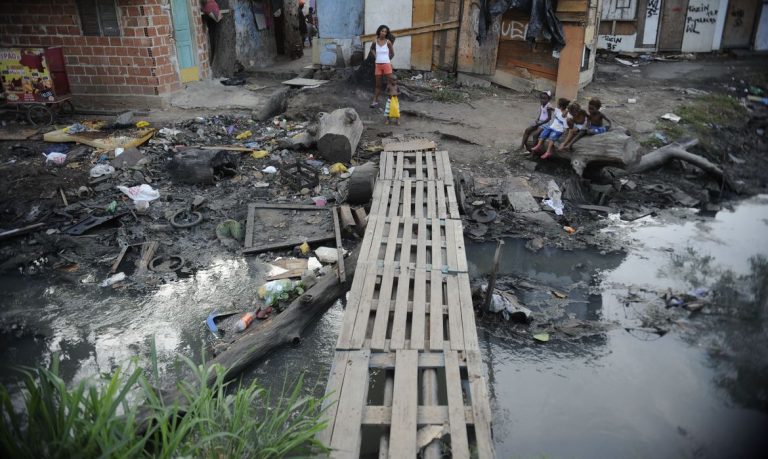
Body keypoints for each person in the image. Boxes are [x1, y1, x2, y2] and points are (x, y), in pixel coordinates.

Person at [369, 24, 395, 108]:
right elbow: (372, 49)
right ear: (379, 31)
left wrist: (387, 60)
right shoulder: (375, 41)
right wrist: (376, 56)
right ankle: (375, 101)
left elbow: (392, 53)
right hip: (378, 66)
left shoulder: (388, 42)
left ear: (386, 33)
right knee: (378, 85)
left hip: (386, 65)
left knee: (390, 83)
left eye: (385, 32)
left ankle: (392, 101)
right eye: (382, 31)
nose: (383, 33)